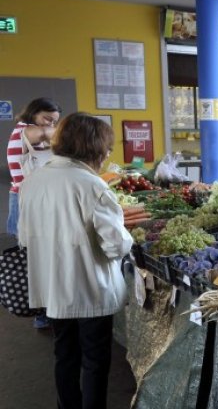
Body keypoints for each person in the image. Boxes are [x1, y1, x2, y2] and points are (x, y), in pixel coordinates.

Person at [18, 112, 133, 409]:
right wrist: (127, 236)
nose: (108, 155)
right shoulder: (91, 184)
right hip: (90, 287)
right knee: (94, 361)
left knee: (65, 355)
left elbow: (24, 236)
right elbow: (115, 245)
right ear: (92, 147)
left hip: (53, 287)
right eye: (106, 148)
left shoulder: (32, 181)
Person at [6, 97, 61, 330]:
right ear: (33, 113)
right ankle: (41, 313)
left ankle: (43, 311)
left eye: (54, 120)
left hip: (34, 201)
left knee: (39, 260)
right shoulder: (27, 130)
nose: (49, 124)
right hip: (26, 203)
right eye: (46, 118)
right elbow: (54, 137)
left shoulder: (31, 133)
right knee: (35, 261)